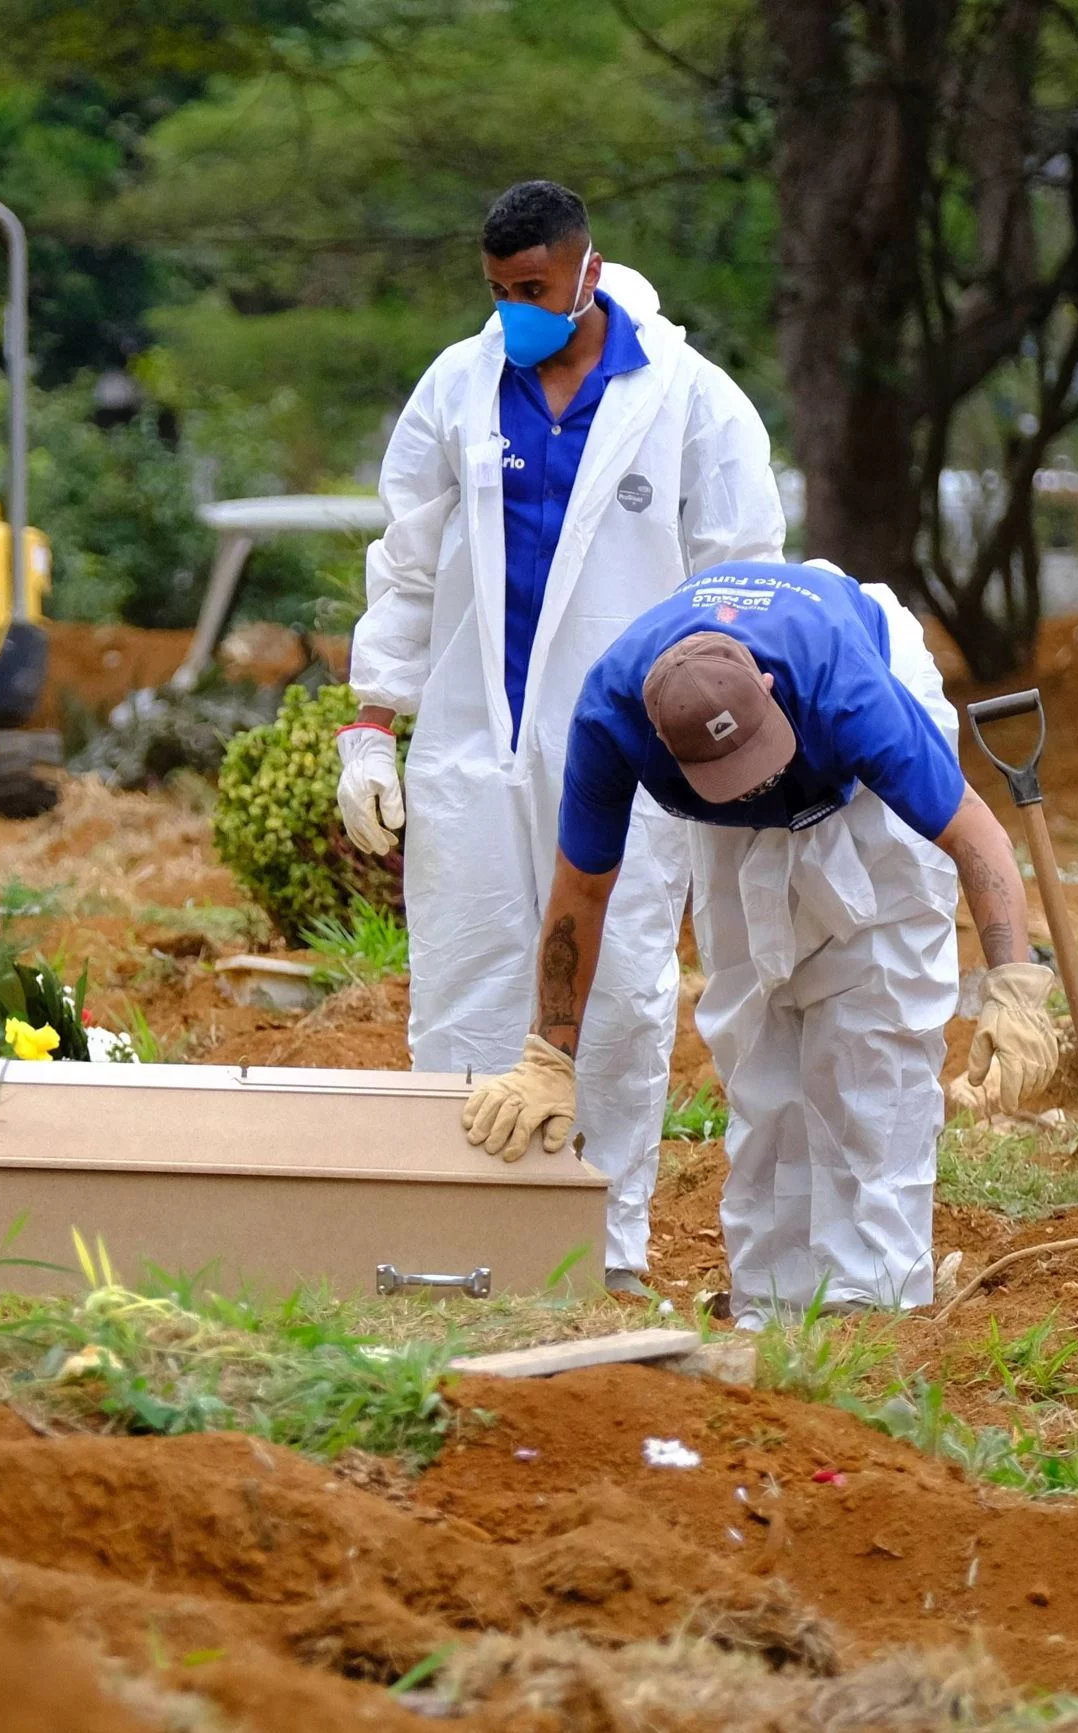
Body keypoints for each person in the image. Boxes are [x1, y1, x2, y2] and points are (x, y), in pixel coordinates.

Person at [338, 180, 786, 1292]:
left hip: (631, 749)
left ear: (585, 270)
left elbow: (741, 579)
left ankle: (607, 1247)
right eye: (494, 292)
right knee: (463, 972)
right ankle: (453, 1247)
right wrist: (368, 726)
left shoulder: (688, 400)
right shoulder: (455, 385)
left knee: (622, 981)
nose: (512, 311)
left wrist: (725, 747)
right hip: (470, 741)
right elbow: (401, 565)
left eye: (531, 289)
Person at [463, 559, 1058, 1326]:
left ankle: (872, 1305)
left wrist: (1013, 982)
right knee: (755, 1035)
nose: (751, 788)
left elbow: (973, 833)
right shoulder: (612, 719)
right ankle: (772, 1303)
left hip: (854, 778)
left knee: (872, 1027)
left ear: (772, 695)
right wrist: (550, 1054)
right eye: (728, 776)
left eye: (753, 764)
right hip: (731, 804)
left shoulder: (851, 690)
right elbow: (582, 892)